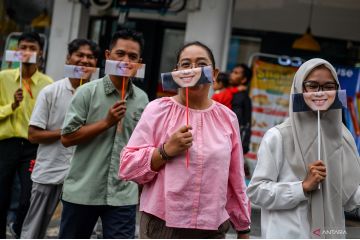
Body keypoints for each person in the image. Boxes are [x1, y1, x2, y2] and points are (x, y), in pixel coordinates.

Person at [119, 41, 251, 239]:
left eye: (200, 64)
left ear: (214, 74)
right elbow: (127, 165)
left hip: (211, 227)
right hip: (161, 224)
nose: (193, 70)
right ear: (176, 73)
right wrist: (164, 151)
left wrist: (243, 227)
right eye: (186, 64)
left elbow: (235, 178)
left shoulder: (227, 118)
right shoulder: (157, 109)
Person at [247, 58, 360, 238]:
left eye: (329, 86)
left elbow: (349, 197)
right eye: (312, 86)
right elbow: (257, 192)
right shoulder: (278, 136)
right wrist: (302, 187)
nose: (320, 93)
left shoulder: (344, 138)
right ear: (300, 88)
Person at [59, 29, 149, 239]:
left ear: (139, 63)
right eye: (120, 54)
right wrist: (106, 123)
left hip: (123, 195)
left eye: (133, 57)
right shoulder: (86, 92)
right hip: (83, 191)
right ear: (108, 56)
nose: (126, 60)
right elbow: (66, 138)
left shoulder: (143, 100)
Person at [20, 38, 99, 239]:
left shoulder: (99, 95)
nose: (84, 60)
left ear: (96, 64)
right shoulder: (51, 91)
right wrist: (68, 132)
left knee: (75, 232)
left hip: (83, 176)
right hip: (49, 170)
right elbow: (33, 135)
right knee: (33, 230)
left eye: (90, 57)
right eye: (79, 55)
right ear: (68, 58)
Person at [0, 32, 53, 238]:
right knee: (1, 196)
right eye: (22, 48)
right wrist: (11, 106)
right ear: (16, 51)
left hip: (32, 147)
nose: (27, 52)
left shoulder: (48, 84)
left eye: (32, 48)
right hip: (5, 144)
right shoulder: (3, 78)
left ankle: (18, 228)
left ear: (41, 53)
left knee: (28, 198)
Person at [229, 64, 252, 154]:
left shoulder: (241, 97)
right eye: (232, 72)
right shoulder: (228, 92)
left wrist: (243, 144)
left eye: (236, 73)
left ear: (243, 80)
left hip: (231, 144)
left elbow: (243, 124)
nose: (231, 74)